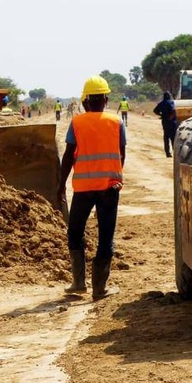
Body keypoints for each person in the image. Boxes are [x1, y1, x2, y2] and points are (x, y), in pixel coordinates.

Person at [57, 75, 126, 300]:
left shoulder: (77, 122)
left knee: (75, 232)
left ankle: (78, 282)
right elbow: (121, 153)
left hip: (83, 189)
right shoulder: (117, 122)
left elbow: (68, 156)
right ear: (106, 99)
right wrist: (115, 175)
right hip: (109, 187)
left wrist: (60, 185)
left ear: (85, 101)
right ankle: (99, 288)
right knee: (106, 236)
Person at [153, 91, 179, 157]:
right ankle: (175, 152)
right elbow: (173, 110)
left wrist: (161, 115)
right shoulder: (171, 102)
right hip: (172, 122)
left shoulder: (161, 103)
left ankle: (167, 153)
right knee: (173, 137)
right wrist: (171, 117)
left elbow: (155, 111)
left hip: (165, 122)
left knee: (166, 137)